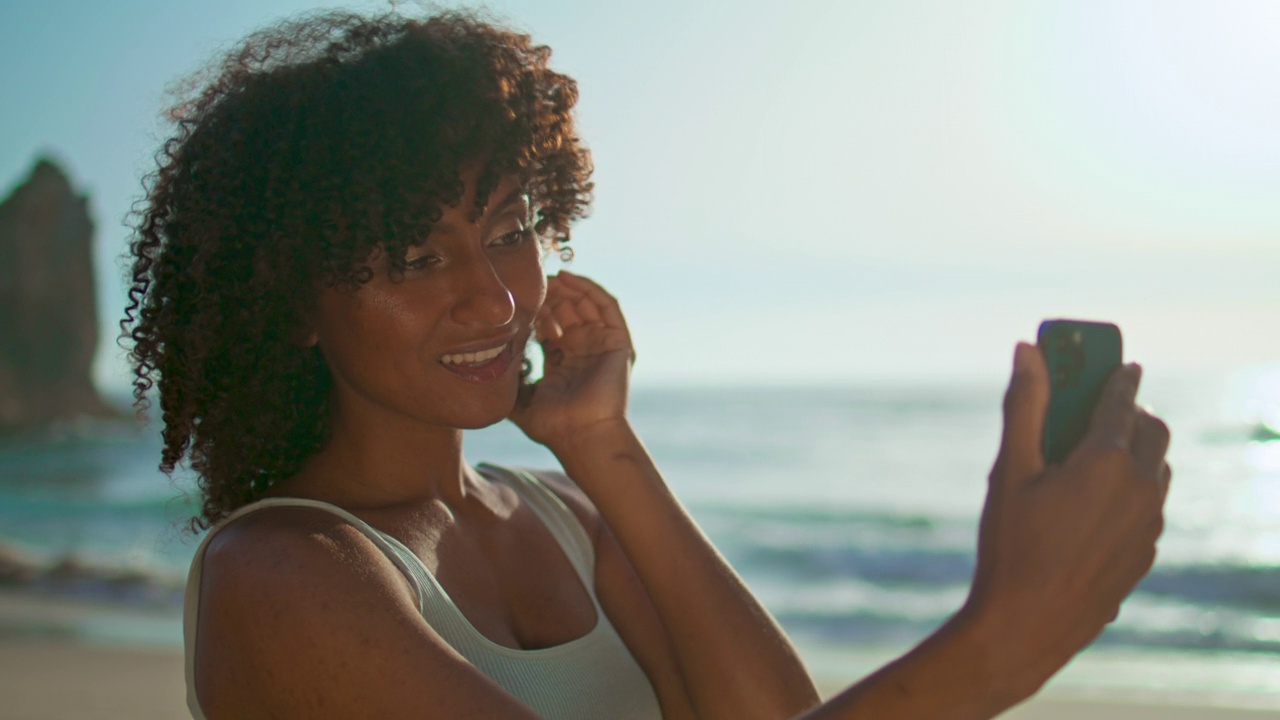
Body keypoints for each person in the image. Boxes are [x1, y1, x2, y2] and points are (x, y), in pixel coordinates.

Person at [123, 9, 1172, 720]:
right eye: (412, 256)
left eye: (507, 229)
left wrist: (601, 448)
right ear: (292, 300)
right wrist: (997, 645)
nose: (493, 296)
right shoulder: (280, 576)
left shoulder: (566, 514)